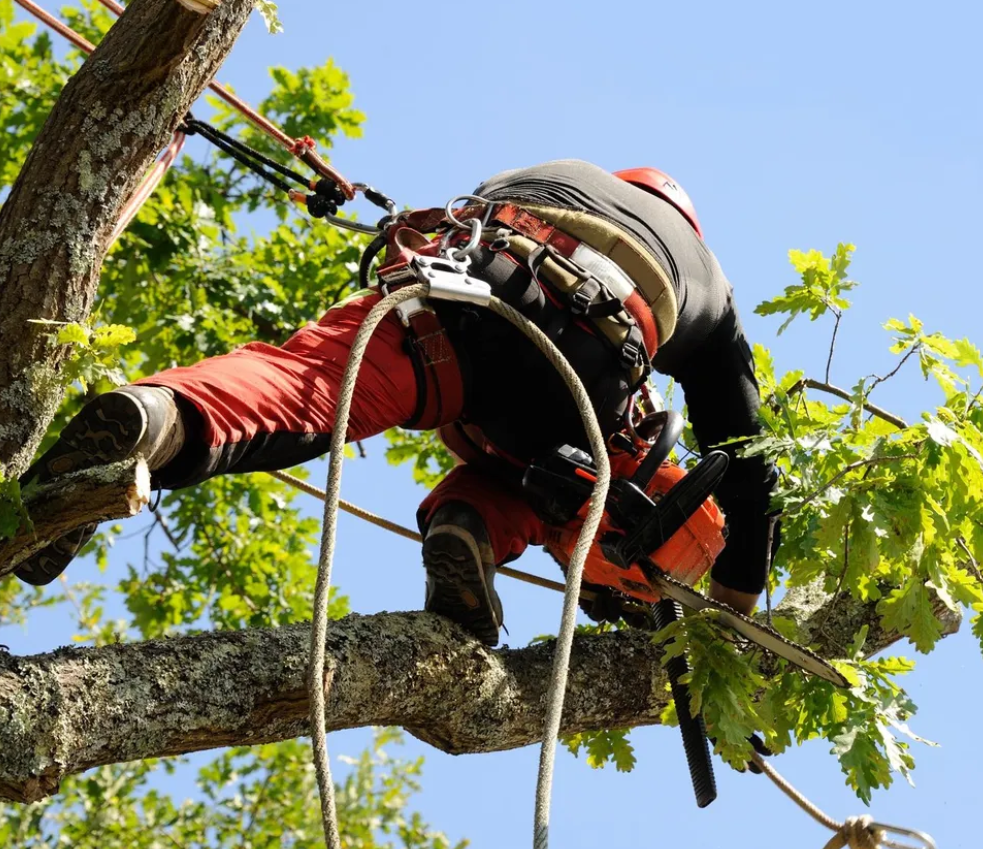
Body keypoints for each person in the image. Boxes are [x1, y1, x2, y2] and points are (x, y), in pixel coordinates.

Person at [15, 160, 777, 645]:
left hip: (464, 290)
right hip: (586, 365)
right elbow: (747, 461)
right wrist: (736, 602)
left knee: (306, 385)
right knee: (581, 479)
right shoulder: (705, 279)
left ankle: (155, 418)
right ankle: (472, 527)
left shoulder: (553, 173)